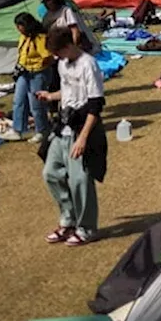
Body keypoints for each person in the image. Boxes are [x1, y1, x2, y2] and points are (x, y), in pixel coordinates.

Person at [36, 27, 106, 246]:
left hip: (81, 129)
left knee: (80, 180)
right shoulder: (62, 64)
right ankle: (68, 220)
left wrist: (83, 138)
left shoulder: (88, 65)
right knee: (51, 173)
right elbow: (67, 92)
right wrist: (50, 96)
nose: (57, 57)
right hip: (62, 128)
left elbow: (96, 105)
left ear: (68, 46)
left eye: (58, 52)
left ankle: (87, 228)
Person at [12, 14, 52, 141]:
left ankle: (42, 130)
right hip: (24, 73)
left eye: (20, 25)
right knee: (19, 100)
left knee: (36, 103)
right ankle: (18, 130)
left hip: (37, 74)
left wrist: (38, 67)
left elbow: (48, 57)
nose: (18, 28)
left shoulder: (40, 38)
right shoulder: (23, 37)